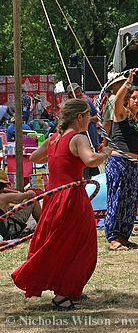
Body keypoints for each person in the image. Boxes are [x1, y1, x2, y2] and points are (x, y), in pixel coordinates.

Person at [12, 98, 112, 310]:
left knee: (59, 243)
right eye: (88, 116)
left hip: (53, 199)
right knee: (82, 246)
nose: (91, 120)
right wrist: (106, 153)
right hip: (72, 199)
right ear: (79, 117)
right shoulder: (78, 138)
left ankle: (68, 289)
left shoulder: (54, 138)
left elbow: (35, 158)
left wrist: (53, 150)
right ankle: (63, 294)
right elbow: (91, 160)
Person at [104, 70, 138, 251]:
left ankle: (124, 235)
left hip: (133, 164)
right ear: (128, 99)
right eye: (134, 98)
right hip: (118, 162)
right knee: (117, 198)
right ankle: (113, 238)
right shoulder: (120, 114)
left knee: (130, 200)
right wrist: (127, 83)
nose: (137, 101)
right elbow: (117, 98)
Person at [66, 83, 101, 179]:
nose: (77, 93)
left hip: (90, 135)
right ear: (70, 94)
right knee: (81, 163)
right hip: (77, 137)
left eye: (78, 91)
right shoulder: (70, 106)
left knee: (92, 164)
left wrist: (87, 120)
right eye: (74, 92)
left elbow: (97, 116)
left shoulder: (87, 101)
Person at [0, 169, 38, 241]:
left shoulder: (4, 197)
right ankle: (42, 225)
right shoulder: (4, 197)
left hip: (2, 232)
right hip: (9, 231)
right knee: (33, 200)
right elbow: (31, 194)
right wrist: (19, 192)